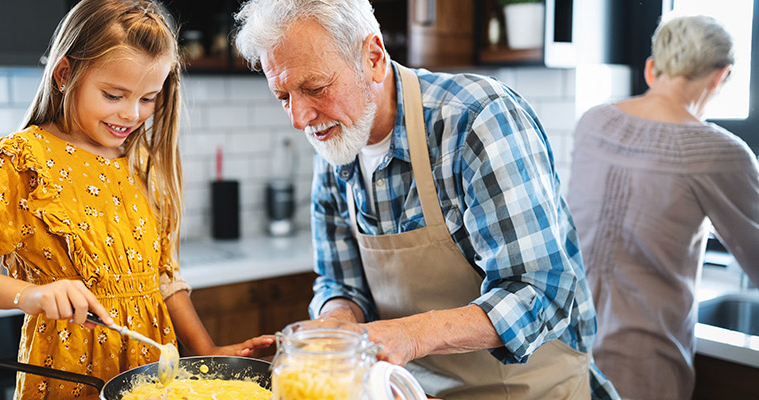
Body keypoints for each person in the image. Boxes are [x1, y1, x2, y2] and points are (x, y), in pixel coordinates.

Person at [234, 1, 619, 399]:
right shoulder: (335, 143)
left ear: (373, 58)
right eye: (283, 96)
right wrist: (337, 324)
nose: (299, 118)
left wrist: (409, 334)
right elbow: (341, 282)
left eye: (315, 88)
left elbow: (541, 291)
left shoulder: (476, 119)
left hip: (534, 389)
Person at [0, 1, 272, 398]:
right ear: (65, 74)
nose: (132, 114)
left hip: (154, 380)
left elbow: (164, 280)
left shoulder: (142, 162)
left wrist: (207, 351)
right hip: (67, 379)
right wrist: (30, 295)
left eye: (148, 98)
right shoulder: (25, 162)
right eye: (113, 95)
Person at [567, 15, 759, 400]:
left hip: (564, 350)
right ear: (720, 77)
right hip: (644, 368)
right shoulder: (719, 152)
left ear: (652, 68)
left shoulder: (593, 121)